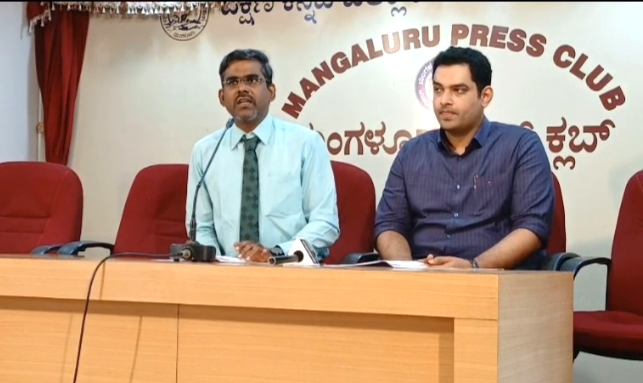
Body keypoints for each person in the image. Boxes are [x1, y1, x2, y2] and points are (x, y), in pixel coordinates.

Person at [374, 46, 555, 270]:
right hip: (422, 280)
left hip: (494, 280)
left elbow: (533, 226)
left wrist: (474, 267)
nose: (444, 100)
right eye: (438, 90)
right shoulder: (411, 152)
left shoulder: (521, 146)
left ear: (485, 96)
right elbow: (389, 225)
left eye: (458, 90)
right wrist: (407, 270)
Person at [186, 49, 340, 263]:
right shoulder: (205, 151)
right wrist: (217, 262)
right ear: (222, 97)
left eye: (252, 80)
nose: (242, 89)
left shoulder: (306, 143)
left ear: (271, 91)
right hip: (224, 272)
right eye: (232, 82)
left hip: (290, 268)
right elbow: (201, 228)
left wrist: (275, 253)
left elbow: (325, 222)